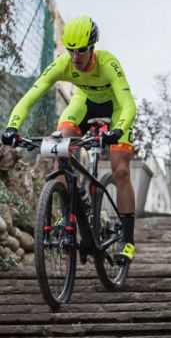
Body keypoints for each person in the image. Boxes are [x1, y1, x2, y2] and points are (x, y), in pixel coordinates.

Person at [2, 16, 138, 264]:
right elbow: (30, 96)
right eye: (71, 50)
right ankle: (70, 211)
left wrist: (118, 130)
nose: (75, 57)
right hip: (83, 104)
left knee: (120, 171)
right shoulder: (62, 64)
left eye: (81, 50)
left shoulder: (108, 63)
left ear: (92, 47)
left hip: (115, 109)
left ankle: (127, 241)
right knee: (60, 148)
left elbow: (128, 104)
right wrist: (12, 126)